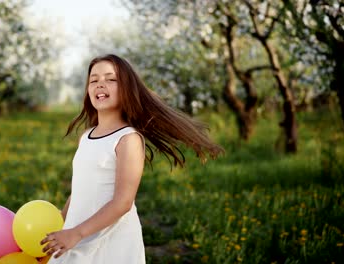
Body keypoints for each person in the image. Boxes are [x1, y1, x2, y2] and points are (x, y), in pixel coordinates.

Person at [40, 54, 223, 263]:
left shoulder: (127, 139)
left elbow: (123, 202)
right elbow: (79, 191)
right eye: (94, 80)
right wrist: (61, 227)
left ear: (126, 89)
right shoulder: (86, 137)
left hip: (109, 240)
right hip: (77, 233)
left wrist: (77, 233)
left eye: (110, 79)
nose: (100, 84)